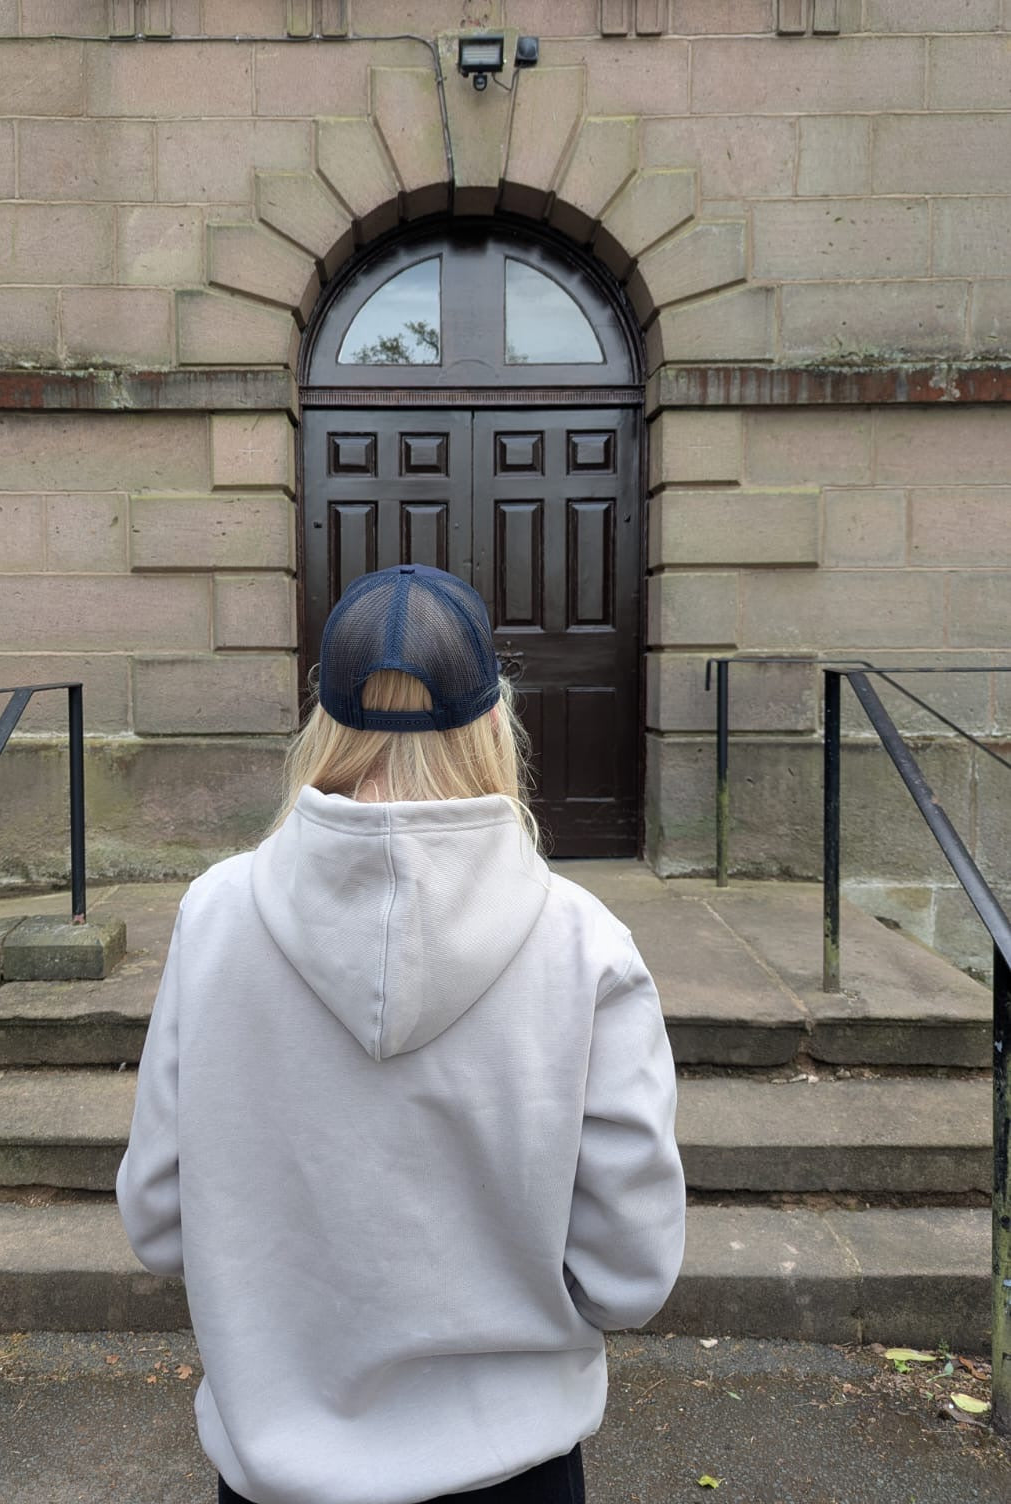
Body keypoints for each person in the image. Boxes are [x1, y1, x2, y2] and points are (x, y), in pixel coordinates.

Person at [116, 563, 685, 1504]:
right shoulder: (584, 945)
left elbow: (159, 1219)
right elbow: (630, 1271)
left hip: (276, 1469)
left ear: (323, 726)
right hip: (515, 1467)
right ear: (497, 722)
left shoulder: (216, 917)